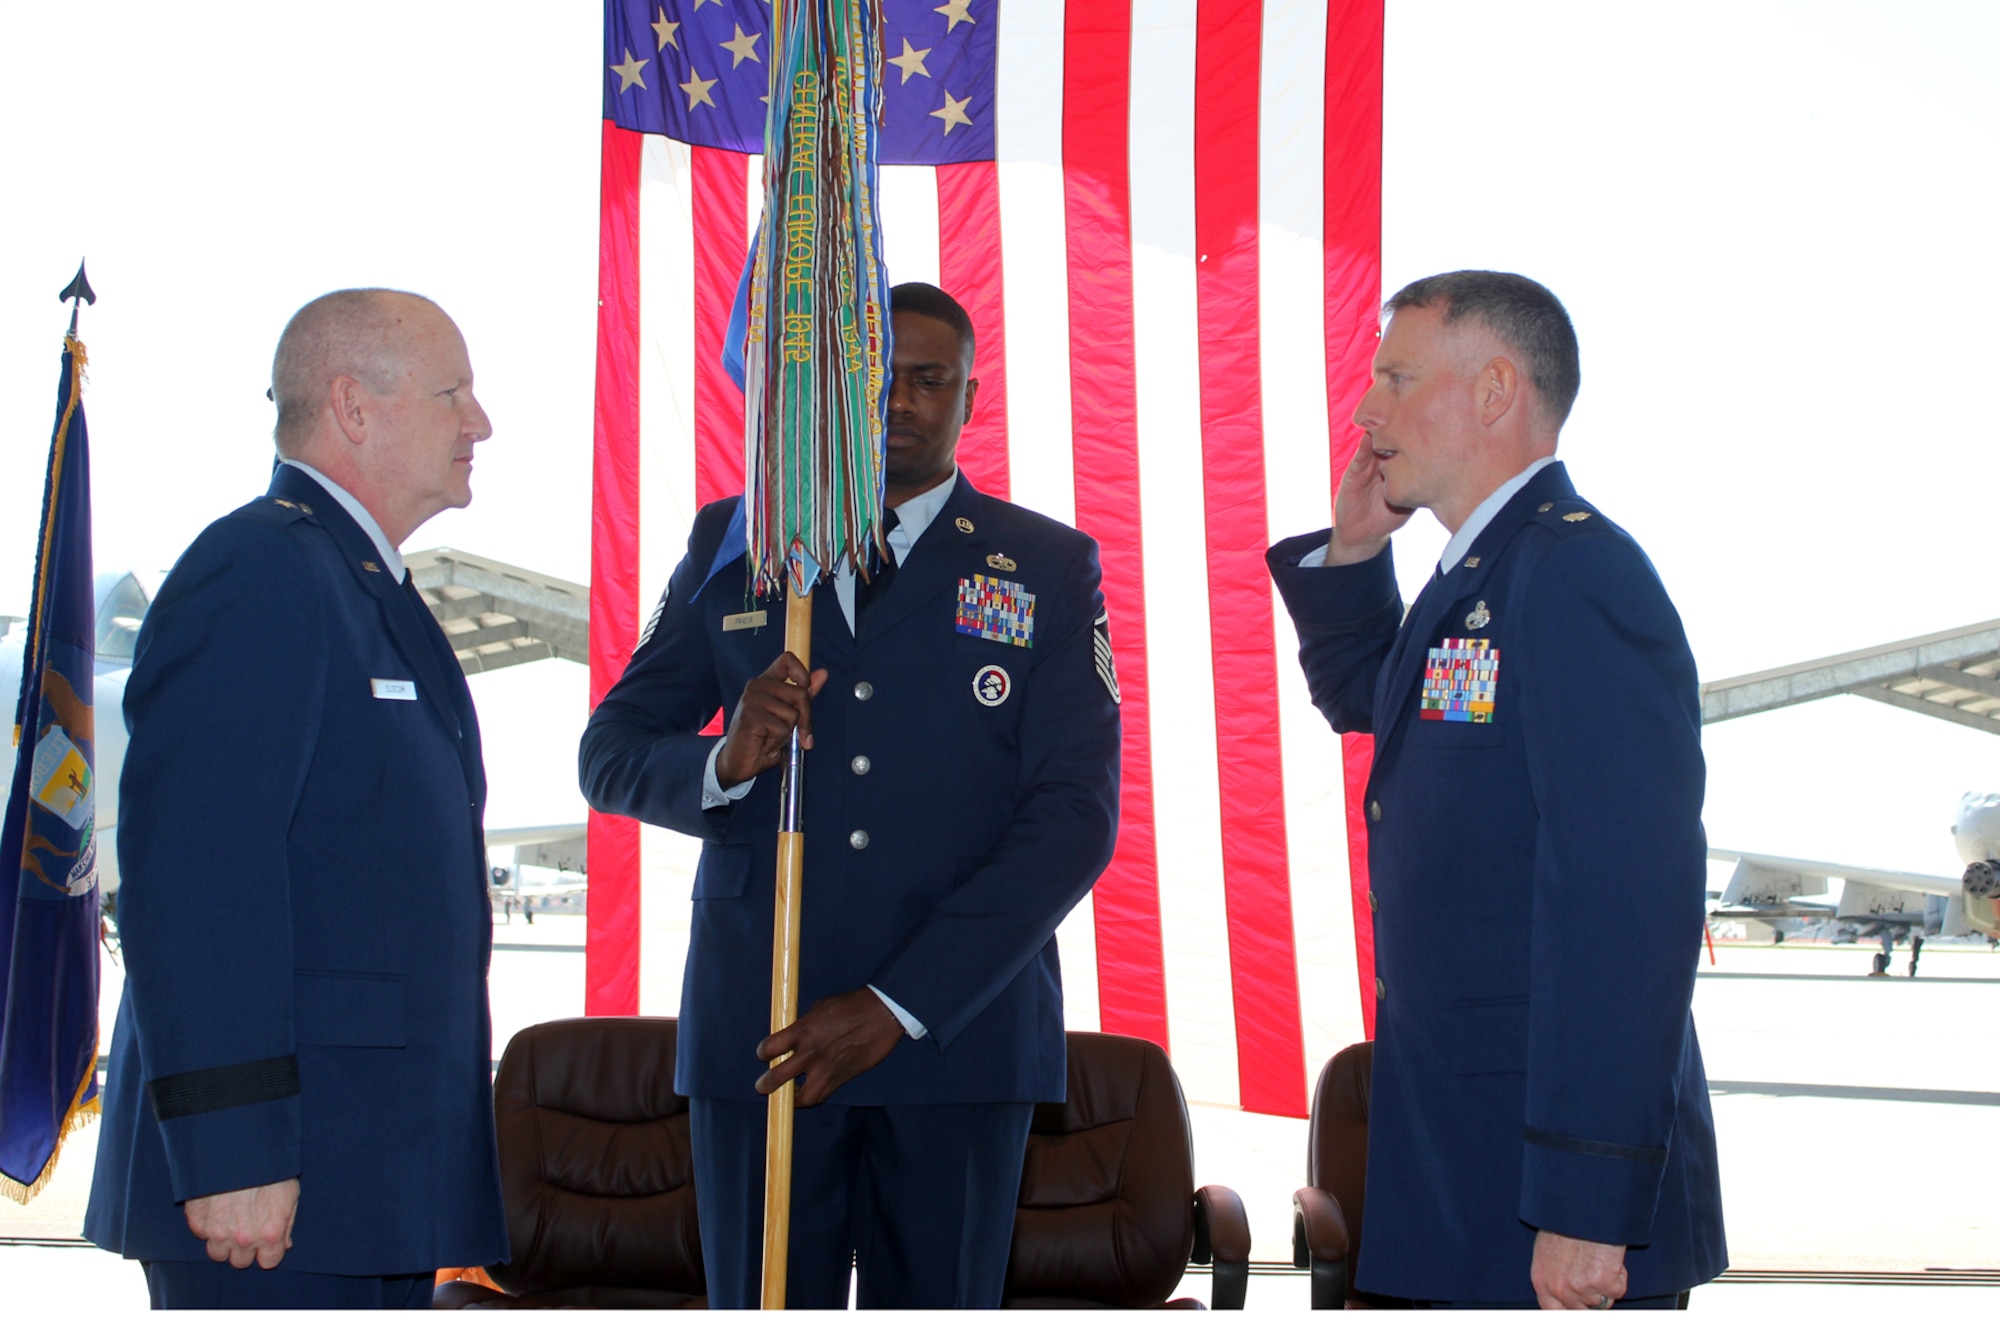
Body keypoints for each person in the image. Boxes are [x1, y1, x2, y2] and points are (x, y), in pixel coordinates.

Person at [579, 282, 1120, 1308]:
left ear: (969, 395)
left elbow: (1072, 816)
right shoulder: (736, 543)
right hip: (763, 1025)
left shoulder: (1047, 565)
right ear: (833, 388)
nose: (900, 404)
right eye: (877, 378)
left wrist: (895, 1004)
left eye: (929, 380)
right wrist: (724, 761)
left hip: (957, 1032)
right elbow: (609, 752)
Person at [1266, 271, 1726, 1309]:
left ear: (1492, 390)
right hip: (1464, 1158)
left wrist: (1585, 1199)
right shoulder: (1480, 575)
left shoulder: (1572, 576)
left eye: (1394, 375)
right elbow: (1377, 707)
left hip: (1547, 1186)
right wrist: (1351, 552)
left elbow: (1625, 910)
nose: (1365, 407)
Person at [84, 289, 508, 1309]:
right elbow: (197, 874)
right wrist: (231, 1144)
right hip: (271, 1186)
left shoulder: (362, 584)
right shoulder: (263, 569)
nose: (479, 422)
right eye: (453, 393)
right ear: (354, 406)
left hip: (366, 1169)